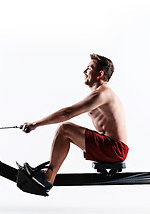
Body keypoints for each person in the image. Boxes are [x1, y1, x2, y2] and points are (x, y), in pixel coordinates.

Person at [21, 54, 129, 192]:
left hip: (115, 149)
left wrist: (35, 124)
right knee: (66, 130)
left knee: (65, 129)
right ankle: (49, 175)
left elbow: (68, 113)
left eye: (89, 68)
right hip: (111, 147)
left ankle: (47, 178)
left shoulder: (102, 94)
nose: (84, 71)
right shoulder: (101, 93)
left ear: (100, 74)